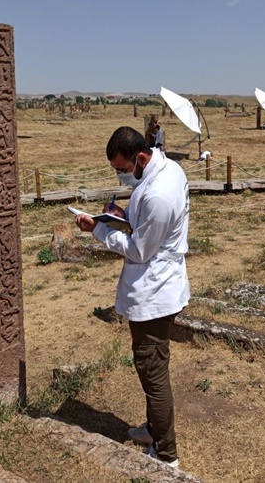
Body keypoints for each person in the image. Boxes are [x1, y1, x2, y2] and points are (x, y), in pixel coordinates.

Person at [75, 126, 190, 468]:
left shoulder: (158, 194)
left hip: (155, 294)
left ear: (140, 158)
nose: (121, 176)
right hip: (155, 284)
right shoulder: (167, 168)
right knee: (148, 366)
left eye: (123, 170)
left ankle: (166, 456)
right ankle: (154, 429)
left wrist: (98, 229)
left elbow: (139, 252)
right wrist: (122, 219)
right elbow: (149, 230)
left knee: (153, 373)